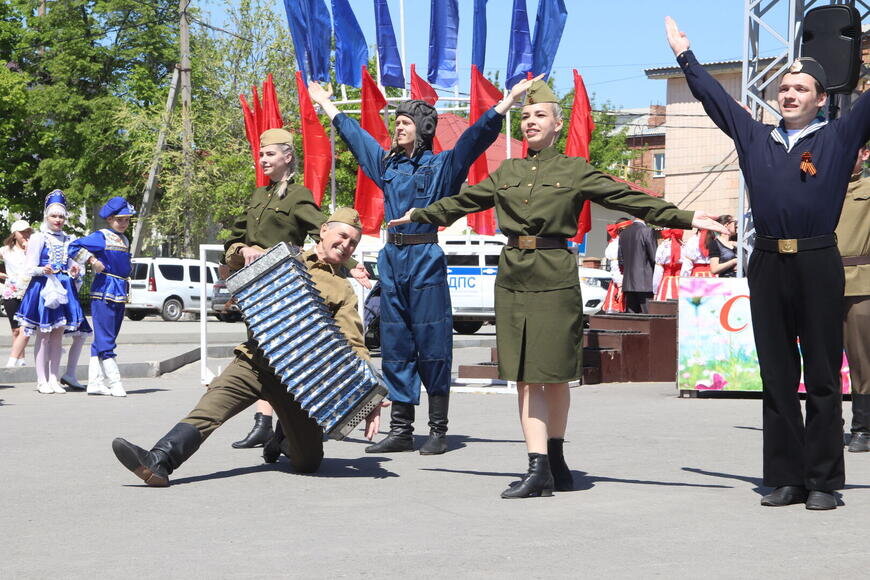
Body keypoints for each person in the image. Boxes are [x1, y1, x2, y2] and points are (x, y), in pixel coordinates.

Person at [388, 79, 726, 498]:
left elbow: (630, 198)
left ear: (557, 123)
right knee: (526, 377)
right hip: (513, 277)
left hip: (555, 274)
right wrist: (421, 213)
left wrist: (687, 217)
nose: (530, 122)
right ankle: (538, 467)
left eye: (539, 115)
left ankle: (556, 458)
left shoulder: (574, 170)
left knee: (556, 376)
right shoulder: (507, 171)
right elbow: (464, 201)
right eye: (526, 116)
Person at [666, 16, 870, 510]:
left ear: (822, 99)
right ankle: (785, 476)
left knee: (821, 374)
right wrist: (686, 58)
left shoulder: (838, 139)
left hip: (819, 260)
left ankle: (822, 481)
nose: (790, 94)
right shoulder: (755, 138)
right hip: (767, 263)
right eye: (784, 87)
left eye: (801, 88)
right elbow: (717, 101)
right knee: (777, 375)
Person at [308, 76, 540, 456]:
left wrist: (506, 102)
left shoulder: (443, 166)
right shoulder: (387, 166)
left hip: (425, 257)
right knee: (396, 343)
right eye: (396, 122)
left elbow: (474, 139)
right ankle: (401, 428)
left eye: (405, 122)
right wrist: (327, 105)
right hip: (392, 259)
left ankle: (438, 429)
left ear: (423, 128)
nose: (397, 126)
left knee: (432, 342)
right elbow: (357, 139)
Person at [111, 208, 382, 487]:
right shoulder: (287, 255)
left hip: (297, 383)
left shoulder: (343, 289)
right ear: (324, 230)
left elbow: (353, 343)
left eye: (353, 243)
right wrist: (246, 249)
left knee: (308, 462)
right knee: (208, 411)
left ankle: (281, 438)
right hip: (255, 361)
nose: (347, 245)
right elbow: (232, 255)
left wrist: (369, 395)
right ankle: (159, 461)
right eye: (343, 236)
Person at [224, 128, 370, 450]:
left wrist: (351, 263)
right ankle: (267, 425)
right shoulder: (258, 196)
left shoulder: (298, 196)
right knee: (262, 351)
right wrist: (235, 253)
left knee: (281, 355)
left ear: (287, 156)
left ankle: (279, 427)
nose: (263, 159)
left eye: (270, 154)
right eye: (261, 154)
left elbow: (326, 230)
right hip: (254, 288)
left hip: (284, 288)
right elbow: (234, 236)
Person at [14, 190, 91, 394]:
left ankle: (55, 377)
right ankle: (42, 379)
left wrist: (74, 270)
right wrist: (43, 269)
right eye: (54, 216)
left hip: (63, 288)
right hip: (43, 289)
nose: (58, 220)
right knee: (44, 334)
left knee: (58, 334)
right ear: (46, 216)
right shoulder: (39, 238)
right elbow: (29, 268)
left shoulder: (69, 239)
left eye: (61, 216)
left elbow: (74, 265)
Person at [68, 197, 136, 396]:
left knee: (107, 336)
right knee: (106, 337)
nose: (123, 223)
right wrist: (91, 259)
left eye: (126, 219)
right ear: (110, 219)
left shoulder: (124, 239)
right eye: (119, 219)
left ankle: (95, 382)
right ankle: (115, 381)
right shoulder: (102, 236)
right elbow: (73, 247)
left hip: (120, 290)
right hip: (104, 290)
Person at [836, 145, 870, 452]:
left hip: (860, 282)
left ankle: (863, 427)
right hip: (821, 282)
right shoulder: (821, 185)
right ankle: (830, 425)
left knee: (862, 358)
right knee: (823, 357)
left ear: (865, 155)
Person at [2, 220, 33, 367]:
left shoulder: (34, 249)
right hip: (11, 292)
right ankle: (19, 358)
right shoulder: (5, 250)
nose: (25, 235)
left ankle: (18, 360)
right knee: (15, 330)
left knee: (24, 327)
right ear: (14, 234)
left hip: (30, 292)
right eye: (22, 232)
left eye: (28, 231)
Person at [618, 219, 657, 313]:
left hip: (628, 282)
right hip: (645, 281)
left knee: (632, 319)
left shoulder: (623, 233)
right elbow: (654, 257)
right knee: (648, 315)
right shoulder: (647, 231)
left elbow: (621, 260)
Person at [601, 219, 632, 313]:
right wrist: (620, 286)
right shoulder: (616, 244)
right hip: (620, 281)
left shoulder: (625, 242)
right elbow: (615, 268)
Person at [654, 228, 685, 300]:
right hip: (681, 281)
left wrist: (655, 291)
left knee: (665, 306)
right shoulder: (684, 246)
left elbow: (658, 272)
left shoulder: (662, 247)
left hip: (666, 281)